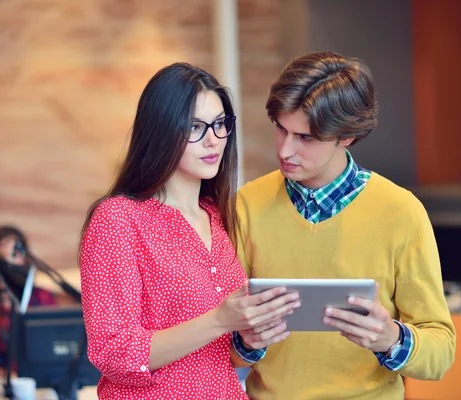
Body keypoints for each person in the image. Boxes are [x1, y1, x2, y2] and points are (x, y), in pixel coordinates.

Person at [232, 51, 456, 399]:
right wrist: (245, 343)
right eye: (280, 129)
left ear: (347, 136)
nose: (285, 150)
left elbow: (440, 353)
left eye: (305, 137)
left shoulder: (401, 212)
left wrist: (390, 339)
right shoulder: (246, 204)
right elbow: (219, 342)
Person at [78, 62, 299, 399]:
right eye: (195, 126)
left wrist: (249, 341)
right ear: (161, 130)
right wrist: (220, 321)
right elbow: (114, 352)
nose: (213, 140)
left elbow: (220, 358)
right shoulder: (118, 219)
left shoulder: (217, 216)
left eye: (220, 124)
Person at [0, 225, 57, 372]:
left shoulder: (43, 298)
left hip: (36, 373)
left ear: (25, 257)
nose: (9, 261)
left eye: (14, 252)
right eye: (1, 256)